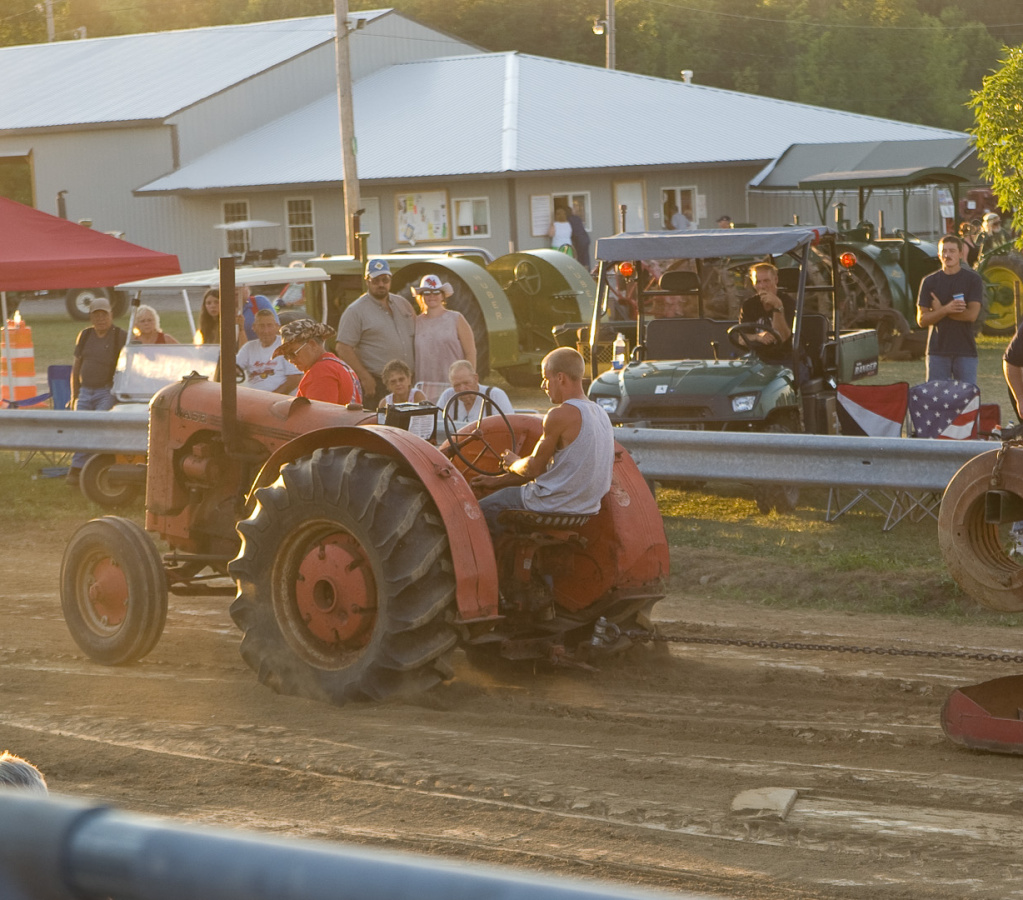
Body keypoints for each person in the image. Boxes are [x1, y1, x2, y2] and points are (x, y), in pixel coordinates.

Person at [470, 347, 614, 539]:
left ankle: (486, 558)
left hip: (551, 504)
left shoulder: (559, 415)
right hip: (584, 508)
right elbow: (553, 470)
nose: (542, 385)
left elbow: (533, 469)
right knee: (504, 497)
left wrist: (513, 463)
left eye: (546, 378)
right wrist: (495, 482)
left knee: (475, 513)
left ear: (560, 378)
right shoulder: (601, 413)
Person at [335, 258, 416, 406]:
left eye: (385, 280)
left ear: (390, 280)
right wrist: (365, 377)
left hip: (407, 383)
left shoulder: (402, 303)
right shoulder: (355, 311)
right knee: (379, 420)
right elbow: (343, 347)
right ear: (367, 281)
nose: (381, 284)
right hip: (378, 384)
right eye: (375, 280)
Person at [68, 297, 128, 486]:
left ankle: (82, 469)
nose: (101, 319)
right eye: (96, 315)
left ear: (111, 315)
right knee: (81, 428)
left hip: (107, 391)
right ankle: (81, 468)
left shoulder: (120, 335)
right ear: (91, 317)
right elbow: (76, 367)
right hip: (85, 391)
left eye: (104, 314)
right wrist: (74, 395)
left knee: (97, 426)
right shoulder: (85, 335)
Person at [916, 234, 982, 384]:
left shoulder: (973, 280)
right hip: (937, 352)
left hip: (965, 351)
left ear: (960, 254)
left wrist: (939, 310)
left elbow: (972, 315)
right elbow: (922, 320)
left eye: (952, 251)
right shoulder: (929, 282)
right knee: (937, 396)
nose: (947, 255)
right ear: (939, 255)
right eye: (944, 251)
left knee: (967, 396)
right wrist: (945, 310)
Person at [273, 318, 363, 406]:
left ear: (312, 344)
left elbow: (318, 414)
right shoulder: (339, 365)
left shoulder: (321, 371)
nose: (291, 360)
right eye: (287, 356)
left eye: (293, 353)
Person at [412, 273, 476, 385]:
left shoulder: (456, 318)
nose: (432, 296)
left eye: (436, 292)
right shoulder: (416, 323)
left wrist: (469, 380)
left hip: (453, 384)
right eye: (427, 292)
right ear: (422, 297)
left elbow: (470, 352)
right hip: (425, 385)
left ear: (442, 296)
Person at [738, 262, 796, 366]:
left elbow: (783, 337)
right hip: (758, 358)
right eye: (758, 282)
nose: (762, 286)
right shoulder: (749, 305)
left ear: (776, 280)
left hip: (786, 357)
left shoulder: (788, 302)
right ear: (753, 284)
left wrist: (777, 306)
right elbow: (741, 339)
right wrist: (758, 337)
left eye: (766, 281)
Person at [237, 308, 302, 394]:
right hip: (255, 398)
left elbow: (295, 379)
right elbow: (234, 369)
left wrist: (270, 398)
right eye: (262, 326)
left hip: (281, 399)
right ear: (254, 327)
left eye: (269, 325)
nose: (266, 331)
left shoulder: (286, 346)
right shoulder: (248, 348)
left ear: (277, 327)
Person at [436, 359, 514, 423]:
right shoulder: (448, 396)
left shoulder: (495, 395)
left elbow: (511, 427)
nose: (462, 389)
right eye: (457, 385)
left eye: (466, 383)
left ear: (476, 378)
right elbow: (437, 426)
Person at [569, 200, 591, 268]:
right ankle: (587, 270)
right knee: (585, 256)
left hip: (579, 240)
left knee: (580, 257)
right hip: (585, 238)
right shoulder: (577, 218)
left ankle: (582, 270)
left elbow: (571, 232)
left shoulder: (569, 220)